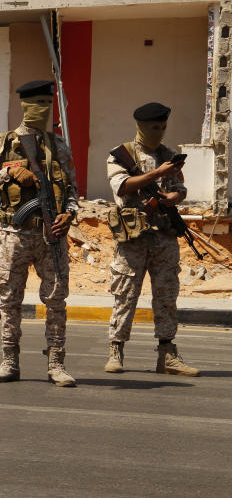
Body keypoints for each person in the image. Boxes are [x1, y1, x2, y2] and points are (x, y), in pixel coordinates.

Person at [0, 80, 78, 387]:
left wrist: (69, 214)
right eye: (40, 104)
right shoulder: (4, 142)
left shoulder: (58, 145)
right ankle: (10, 361)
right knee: (10, 301)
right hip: (15, 234)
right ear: (27, 106)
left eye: (49, 104)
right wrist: (9, 172)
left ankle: (56, 364)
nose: (45, 110)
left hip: (52, 236)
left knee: (56, 300)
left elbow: (72, 189)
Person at [104, 102, 199, 376]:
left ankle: (167, 355)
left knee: (167, 296)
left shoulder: (169, 155)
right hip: (133, 237)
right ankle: (116, 350)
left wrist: (175, 197)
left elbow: (179, 188)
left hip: (164, 237)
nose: (159, 132)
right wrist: (158, 174)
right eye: (154, 127)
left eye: (163, 127)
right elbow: (121, 187)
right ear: (141, 127)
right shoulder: (121, 155)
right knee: (125, 295)